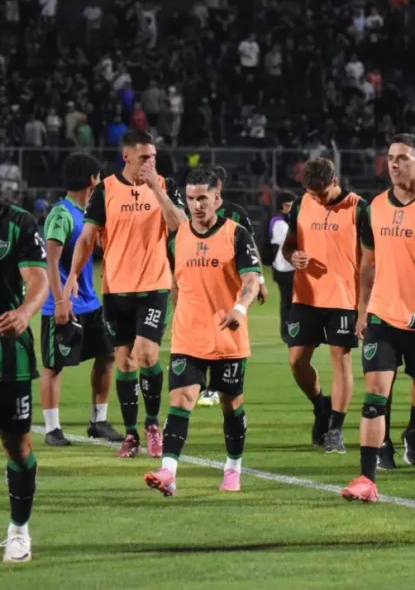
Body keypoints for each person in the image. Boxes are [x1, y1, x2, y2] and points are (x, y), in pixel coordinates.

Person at [340, 134, 415, 503]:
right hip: (383, 317)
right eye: (390, 157)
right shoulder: (374, 206)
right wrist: (362, 311)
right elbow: (367, 263)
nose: (393, 164)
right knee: (374, 397)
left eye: (402, 158)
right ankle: (366, 478)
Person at [67, 130, 187, 457]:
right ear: (127, 157)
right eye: (144, 157)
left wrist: (155, 190)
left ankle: (152, 424)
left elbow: (180, 225)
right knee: (125, 361)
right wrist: (71, 280)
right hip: (117, 288)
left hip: (154, 285)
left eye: (153, 157)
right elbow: (87, 238)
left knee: (148, 354)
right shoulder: (105, 190)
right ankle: (132, 433)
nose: (150, 162)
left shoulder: (165, 185)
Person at [144, 167, 262, 496]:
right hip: (188, 337)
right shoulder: (178, 237)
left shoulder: (237, 235)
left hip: (228, 339)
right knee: (181, 401)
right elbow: (177, 284)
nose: (196, 205)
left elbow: (252, 280)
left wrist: (240, 308)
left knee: (231, 404)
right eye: (191, 199)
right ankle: (168, 472)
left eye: (203, 199)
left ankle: (233, 467)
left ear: (217, 199)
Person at [280, 158, 366, 454]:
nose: (318, 199)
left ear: (334, 181)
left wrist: (365, 306)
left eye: (323, 194)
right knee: (296, 361)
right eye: (312, 194)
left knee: (340, 362)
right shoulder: (303, 204)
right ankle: (321, 406)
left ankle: (336, 429)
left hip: (343, 299)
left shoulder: (358, 208)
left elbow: (371, 260)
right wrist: (293, 257)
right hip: (306, 297)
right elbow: (288, 244)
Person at [40, 153, 123, 446]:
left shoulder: (84, 214)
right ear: (92, 180)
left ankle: (98, 421)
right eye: (99, 178)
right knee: (54, 366)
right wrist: (61, 301)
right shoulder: (61, 214)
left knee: (108, 355)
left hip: (90, 303)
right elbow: (49, 261)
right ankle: (52, 429)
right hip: (63, 305)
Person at [0, 203, 49, 565]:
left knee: (17, 445)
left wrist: (24, 312)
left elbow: (38, 279)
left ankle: (19, 530)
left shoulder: (17, 222)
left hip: (7, 354)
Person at [198, 165, 269, 407]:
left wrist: (260, 280)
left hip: (234, 285)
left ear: (220, 188)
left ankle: (225, 384)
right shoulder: (197, 213)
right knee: (205, 333)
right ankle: (207, 385)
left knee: (233, 333)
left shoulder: (236, 214)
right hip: (204, 285)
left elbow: (251, 247)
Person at [268, 191, 296, 344]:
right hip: (284, 267)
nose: (289, 209)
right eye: (287, 206)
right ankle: (287, 332)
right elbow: (284, 241)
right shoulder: (279, 222)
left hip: (287, 266)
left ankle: (290, 330)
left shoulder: (285, 220)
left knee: (291, 301)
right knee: (288, 301)